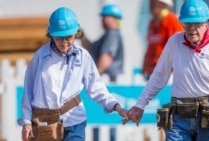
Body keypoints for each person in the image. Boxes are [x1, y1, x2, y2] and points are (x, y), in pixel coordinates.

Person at [123, 0, 209, 141]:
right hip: (179, 119)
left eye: (196, 24)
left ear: (207, 24)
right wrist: (140, 105)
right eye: (187, 23)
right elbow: (158, 77)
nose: (192, 28)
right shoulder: (174, 42)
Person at [17, 7, 127, 141]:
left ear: (76, 33)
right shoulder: (40, 57)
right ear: (51, 35)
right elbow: (28, 91)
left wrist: (116, 106)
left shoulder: (83, 57)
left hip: (75, 122)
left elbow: (96, 87)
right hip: (45, 124)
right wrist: (27, 122)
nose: (64, 43)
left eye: (68, 37)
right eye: (59, 38)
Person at [81, 3, 124, 83]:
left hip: (108, 81)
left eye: (106, 16)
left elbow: (106, 57)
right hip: (106, 80)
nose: (104, 19)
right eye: (103, 17)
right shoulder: (107, 35)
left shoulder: (112, 34)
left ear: (114, 18)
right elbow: (91, 47)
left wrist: (94, 77)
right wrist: (82, 37)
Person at [142, 0, 183, 80]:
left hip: (166, 73)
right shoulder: (152, 22)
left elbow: (178, 47)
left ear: (163, 4)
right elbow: (149, 47)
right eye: (151, 3)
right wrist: (144, 67)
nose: (151, 5)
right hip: (151, 71)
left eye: (154, 3)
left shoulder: (172, 20)